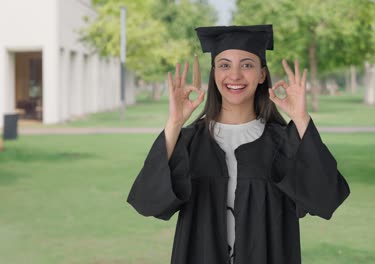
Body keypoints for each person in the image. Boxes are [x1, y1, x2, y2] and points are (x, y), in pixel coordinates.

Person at [127, 24, 350, 264]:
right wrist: (174, 123)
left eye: (247, 65)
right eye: (224, 65)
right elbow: (147, 202)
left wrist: (301, 119)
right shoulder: (191, 141)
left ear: (262, 74)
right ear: (214, 74)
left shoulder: (283, 142)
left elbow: (327, 197)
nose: (235, 75)